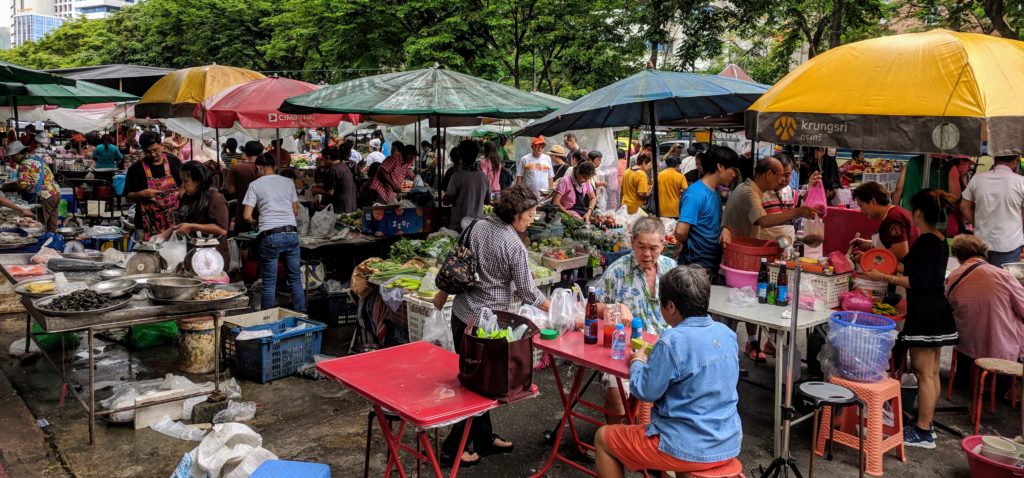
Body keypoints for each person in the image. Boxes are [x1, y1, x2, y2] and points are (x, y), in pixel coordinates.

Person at [432, 185, 550, 468]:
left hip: (462, 316)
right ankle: (451, 449)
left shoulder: (476, 225)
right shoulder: (513, 245)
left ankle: (484, 439)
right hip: (488, 329)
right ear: (516, 214)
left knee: (477, 380)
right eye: (531, 214)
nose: (533, 219)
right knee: (477, 387)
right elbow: (528, 291)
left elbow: (456, 263)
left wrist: (442, 294)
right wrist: (557, 308)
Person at [594, 265, 742, 478]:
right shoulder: (727, 334)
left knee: (603, 437)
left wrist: (637, 361)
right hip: (728, 441)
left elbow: (645, 391)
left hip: (683, 447)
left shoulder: (672, 340)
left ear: (670, 306)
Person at [860, 189, 958, 449]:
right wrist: (881, 264)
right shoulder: (938, 238)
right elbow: (914, 269)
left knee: (924, 373)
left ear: (918, 213)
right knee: (932, 372)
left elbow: (917, 281)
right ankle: (927, 423)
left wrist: (883, 277)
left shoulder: (926, 241)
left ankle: (923, 431)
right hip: (935, 308)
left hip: (925, 309)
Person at [721, 156, 817, 361]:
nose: (783, 181)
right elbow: (762, 221)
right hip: (739, 260)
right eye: (781, 176)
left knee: (738, 310)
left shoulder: (750, 190)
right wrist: (798, 211)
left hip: (741, 257)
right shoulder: (748, 193)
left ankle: (742, 350)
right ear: (768, 174)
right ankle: (731, 356)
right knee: (735, 313)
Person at [599, 217, 679, 419]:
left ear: (664, 244)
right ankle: (614, 444)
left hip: (665, 348)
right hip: (625, 348)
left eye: (653, 248)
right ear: (632, 242)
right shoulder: (618, 271)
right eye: (641, 246)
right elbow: (591, 306)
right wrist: (616, 306)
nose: (646, 253)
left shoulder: (671, 268)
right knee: (615, 392)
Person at [945, 235, 1024, 388]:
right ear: (984, 252)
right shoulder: (1003, 275)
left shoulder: (952, 278)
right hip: (1002, 355)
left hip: (966, 351)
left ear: (958, 256)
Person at [242, 153, 305, 312]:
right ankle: (302, 315)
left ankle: (267, 319)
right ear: (275, 166)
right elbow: (295, 210)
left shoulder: (255, 185)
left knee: (269, 282)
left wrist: (256, 222)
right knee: (296, 280)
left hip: (270, 235)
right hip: (291, 233)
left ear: (259, 168)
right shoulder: (288, 182)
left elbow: (246, 215)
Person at [674, 146, 740, 272]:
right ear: (720, 166)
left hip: (709, 264)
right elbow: (681, 231)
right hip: (695, 266)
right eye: (733, 169)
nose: (734, 174)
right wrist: (686, 243)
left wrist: (725, 229)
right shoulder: (696, 193)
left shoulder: (713, 192)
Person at [158, 161, 229, 269]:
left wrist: (192, 227)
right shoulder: (187, 197)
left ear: (198, 181)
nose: (182, 185)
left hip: (211, 259)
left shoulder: (215, 198)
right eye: (181, 181)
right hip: (190, 255)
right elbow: (183, 221)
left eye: (186, 181)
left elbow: (221, 229)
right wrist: (171, 230)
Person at [961, 154, 1024, 267]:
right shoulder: (1021, 181)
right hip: (1009, 243)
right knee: (1002, 282)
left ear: (994, 159)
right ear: (1016, 161)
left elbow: (964, 207)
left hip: (981, 242)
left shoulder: (977, 178)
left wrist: (977, 224)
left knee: (981, 280)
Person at [125, 131, 182, 240]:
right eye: (147, 152)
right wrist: (142, 194)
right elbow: (128, 197)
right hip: (146, 224)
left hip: (174, 222)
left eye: (155, 150)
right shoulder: (136, 169)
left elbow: (183, 186)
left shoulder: (174, 162)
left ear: (161, 146)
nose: (152, 155)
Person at [851, 181, 918, 262]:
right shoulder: (894, 212)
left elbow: (901, 253)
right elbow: (894, 243)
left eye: (861, 206)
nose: (861, 211)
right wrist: (868, 244)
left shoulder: (893, 219)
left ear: (873, 201)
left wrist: (868, 257)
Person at [2, 141, 57, 230]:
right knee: (51, 225)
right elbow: (28, 180)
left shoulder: (25, 164)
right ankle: (52, 241)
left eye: (12, 157)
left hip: (45, 196)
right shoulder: (35, 158)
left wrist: (5, 188)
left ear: (18, 154)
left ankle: (41, 243)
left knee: (38, 226)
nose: (12, 159)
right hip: (54, 193)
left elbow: (22, 185)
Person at [444, 140, 489, 231]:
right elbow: (487, 200)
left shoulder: (457, 176)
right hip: (476, 225)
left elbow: (446, 201)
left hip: (459, 225)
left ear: (460, 156)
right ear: (476, 155)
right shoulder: (483, 177)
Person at [225, 140, 263, 234]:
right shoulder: (265, 168)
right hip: (263, 213)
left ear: (245, 152)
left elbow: (231, 190)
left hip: (242, 213)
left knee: (242, 245)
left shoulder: (237, 168)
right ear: (261, 152)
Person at [314, 146, 358, 213]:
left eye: (323, 159)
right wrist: (317, 185)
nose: (323, 162)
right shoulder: (344, 166)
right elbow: (334, 184)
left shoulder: (333, 170)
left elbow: (330, 192)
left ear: (328, 157)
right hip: (351, 205)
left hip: (341, 209)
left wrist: (317, 191)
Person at [944, 156, 972, 236]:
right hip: (950, 220)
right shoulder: (953, 176)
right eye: (968, 165)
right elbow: (956, 202)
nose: (969, 168)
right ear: (961, 162)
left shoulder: (959, 178)